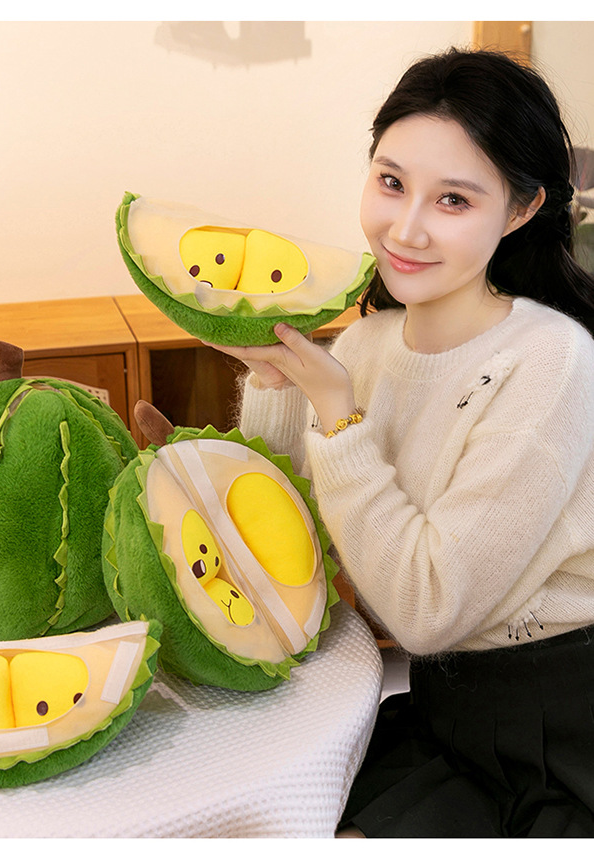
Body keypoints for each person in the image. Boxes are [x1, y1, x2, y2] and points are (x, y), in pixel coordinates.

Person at [205, 47, 594, 837]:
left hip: (563, 725)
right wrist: (275, 381)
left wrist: (337, 416)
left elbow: (425, 608)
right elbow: (281, 531)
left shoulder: (552, 359)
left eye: (453, 200)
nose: (406, 229)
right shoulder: (364, 347)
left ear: (520, 210)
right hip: (446, 704)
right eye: (391, 183)